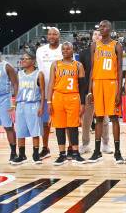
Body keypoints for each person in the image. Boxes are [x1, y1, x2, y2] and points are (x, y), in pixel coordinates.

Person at [87, 20, 124, 164]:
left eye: (104, 26)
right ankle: (97, 152)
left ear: (110, 28)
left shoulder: (117, 45)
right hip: (97, 84)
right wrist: (90, 90)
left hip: (111, 83)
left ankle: (118, 152)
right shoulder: (94, 45)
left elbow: (120, 69)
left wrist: (119, 90)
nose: (101, 28)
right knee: (99, 118)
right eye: (100, 26)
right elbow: (92, 68)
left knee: (114, 118)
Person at [46, 42, 87, 165]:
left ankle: (75, 153)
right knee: (59, 126)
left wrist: (83, 103)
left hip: (73, 97)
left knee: (73, 126)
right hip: (58, 97)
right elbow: (51, 84)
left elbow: (83, 87)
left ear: (72, 50)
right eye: (63, 49)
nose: (65, 50)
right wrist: (49, 101)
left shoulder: (78, 65)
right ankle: (62, 154)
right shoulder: (55, 64)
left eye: (68, 48)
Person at [79, 30, 111, 155]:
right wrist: (83, 93)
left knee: (104, 119)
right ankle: (86, 144)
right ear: (92, 37)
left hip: (103, 90)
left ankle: (105, 144)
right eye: (95, 34)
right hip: (88, 91)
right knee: (86, 120)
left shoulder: (107, 52)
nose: (97, 36)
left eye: (99, 34)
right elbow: (81, 76)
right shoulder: (83, 53)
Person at [11, 51, 45, 165]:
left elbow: (43, 91)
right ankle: (21, 155)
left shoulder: (39, 74)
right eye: (22, 58)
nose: (23, 60)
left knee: (35, 131)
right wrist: (14, 104)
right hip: (21, 105)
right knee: (20, 131)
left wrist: (41, 106)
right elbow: (16, 90)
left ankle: (35, 154)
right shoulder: (19, 74)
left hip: (33, 104)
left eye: (26, 59)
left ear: (33, 61)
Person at [36, 27, 63, 160]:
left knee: (64, 123)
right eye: (50, 34)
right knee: (45, 123)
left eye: (55, 34)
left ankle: (67, 149)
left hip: (61, 91)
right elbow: (40, 72)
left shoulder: (64, 49)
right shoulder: (40, 51)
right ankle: (45, 148)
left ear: (59, 36)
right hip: (45, 91)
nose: (52, 36)